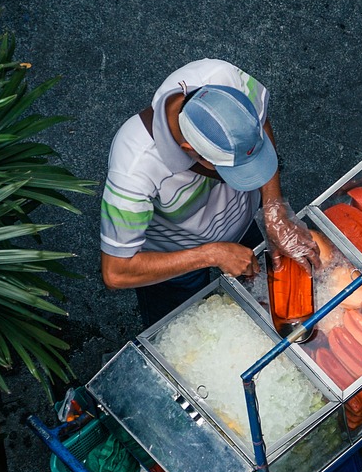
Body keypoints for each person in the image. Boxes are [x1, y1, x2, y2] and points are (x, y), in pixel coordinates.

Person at [99, 59, 319, 328]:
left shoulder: (224, 77)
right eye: (231, 171)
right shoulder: (133, 171)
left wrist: (273, 207)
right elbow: (116, 272)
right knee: (179, 329)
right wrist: (211, 255)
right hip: (175, 255)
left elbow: (259, 122)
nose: (246, 180)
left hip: (244, 222)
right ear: (190, 149)